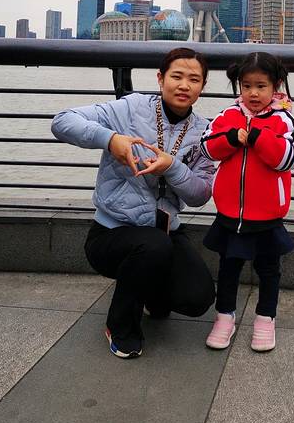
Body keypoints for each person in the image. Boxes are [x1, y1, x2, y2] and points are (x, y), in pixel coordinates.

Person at [51, 47, 215, 359]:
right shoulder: (131, 108)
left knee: (198, 297)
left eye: (194, 79)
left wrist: (172, 167)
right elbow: (62, 121)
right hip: (111, 234)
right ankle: (120, 326)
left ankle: (146, 288)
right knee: (153, 247)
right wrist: (110, 139)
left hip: (165, 233)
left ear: (202, 87)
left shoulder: (205, 132)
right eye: (177, 76)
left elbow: (200, 195)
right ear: (160, 78)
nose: (184, 85)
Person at [200, 52, 294, 352]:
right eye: (246, 86)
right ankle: (224, 317)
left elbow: (290, 158)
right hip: (229, 214)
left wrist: (259, 137)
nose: (253, 93)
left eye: (261, 86)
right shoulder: (227, 116)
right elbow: (207, 148)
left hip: (267, 216)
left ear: (276, 86)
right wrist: (232, 139)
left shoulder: (285, 120)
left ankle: (265, 318)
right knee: (228, 268)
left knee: (269, 270)